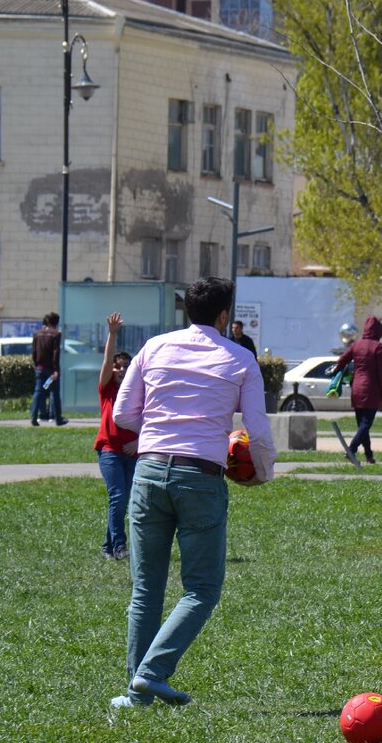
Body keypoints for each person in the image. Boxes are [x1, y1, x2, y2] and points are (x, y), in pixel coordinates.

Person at [110, 277, 277, 709]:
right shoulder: (240, 358)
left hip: (147, 472)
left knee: (145, 588)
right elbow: (256, 429)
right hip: (200, 476)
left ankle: (137, 693)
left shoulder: (153, 348)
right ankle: (150, 674)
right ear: (225, 316)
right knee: (201, 589)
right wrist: (262, 472)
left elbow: (126, 414)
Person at [95, 312, 138, 562]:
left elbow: (147, 421)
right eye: (117, 366)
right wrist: (112, 334)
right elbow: (106, 362)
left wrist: (139, 442)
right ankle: (120, 546)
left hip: (131, 452)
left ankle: (107, 547)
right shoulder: (108, 388)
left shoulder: (136, 392)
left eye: (126, 367)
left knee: (123, 500)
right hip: (110, 450)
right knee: (118, 497)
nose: (121, 369)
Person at [330, 316, 382, 465]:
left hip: (356, 388)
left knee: (362, 425)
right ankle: (352, 449)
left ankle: (369, 456)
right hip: (371, 389)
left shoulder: (357, 345)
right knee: (366, 424)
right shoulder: (378, 347)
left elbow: (343, 359)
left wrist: (336, 368)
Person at [31, 311, 68, 427]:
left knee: (38, 391)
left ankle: (34, 416)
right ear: (56, 322)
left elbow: (34, 352)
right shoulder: (56, 334)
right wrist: (56, 370)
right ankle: (57, 418)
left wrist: (36, 364)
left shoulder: (37, 334)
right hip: (51, 371)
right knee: (54, 392)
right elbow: (55, 353)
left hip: (40, 368)